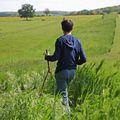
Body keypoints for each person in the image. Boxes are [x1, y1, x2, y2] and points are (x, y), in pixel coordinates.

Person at [45, 19, 86, 112]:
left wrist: (47, 57)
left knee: (63, 95)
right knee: (62, 92)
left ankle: (68, 115)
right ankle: (56, 110)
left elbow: (55, 57)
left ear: (62, 28)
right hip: (72, 72)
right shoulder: (77, 41)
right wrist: (75, 63)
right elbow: (84, 59)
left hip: (61, 72)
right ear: (72, 28)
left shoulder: (60, 40)